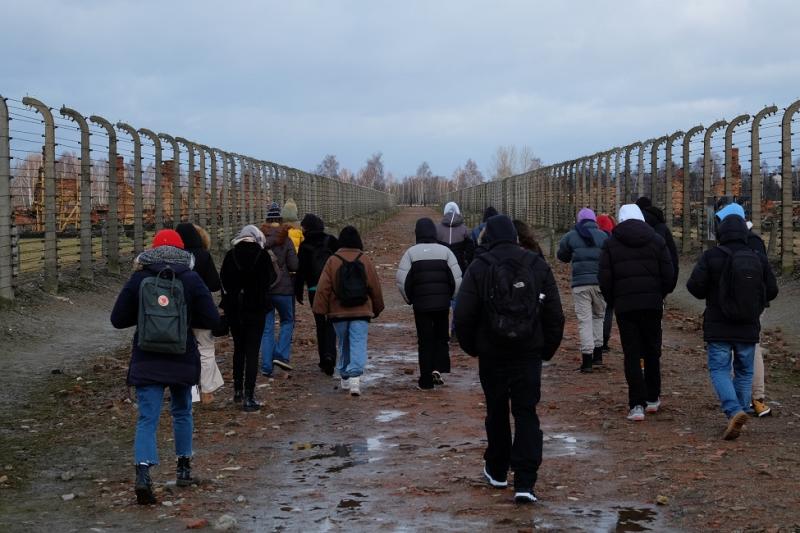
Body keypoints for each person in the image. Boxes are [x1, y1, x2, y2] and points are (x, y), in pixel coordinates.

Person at [454, 215, 564, 504]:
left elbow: (463, 314)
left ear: (487, 237)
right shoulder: (536, 264)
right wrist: (545, 350)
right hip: (528, 353)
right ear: (515, 236)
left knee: (497, 411)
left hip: (492, 353)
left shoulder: (479, 267)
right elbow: (554, 313)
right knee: (527, 413)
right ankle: (525, 482)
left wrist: (474, 347)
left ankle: (498, 470)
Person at [110, 229, 220, 505]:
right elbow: (211, 319)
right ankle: (183, 469)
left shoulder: (140, 278)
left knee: (147, 417)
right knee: (182, 411)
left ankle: (144, 474)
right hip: (181, 355)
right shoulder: (191, 278)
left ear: (152, 249)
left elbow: (118, 319)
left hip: (147, 357)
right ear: (183, 251)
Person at [686, 202, 778, 440]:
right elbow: (772, 290)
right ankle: (741, 411)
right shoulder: (756, 256)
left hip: (718, 323)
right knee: (745, 371)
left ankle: (734, 410)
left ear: (721, 232)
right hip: (748, 324)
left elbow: (694, 287)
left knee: (719, 369)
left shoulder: (711, 255)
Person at [599, 205, 674, 421]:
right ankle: (652, 398)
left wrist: (613, 300)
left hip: (625, 306)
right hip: (651, 304)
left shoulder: (611, 243)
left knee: (632, 354)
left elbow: (605, 278)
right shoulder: (657, 241)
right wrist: (660, 294)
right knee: (652, 351)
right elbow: (668, 275)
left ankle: (636, 405)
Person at [312, 226, 384, 397]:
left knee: (344, 343)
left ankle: (344, 374)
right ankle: (355, 379)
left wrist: (320, 310)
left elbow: (323, 288)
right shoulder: (364, 259)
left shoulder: (333, 260)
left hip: (338, 312)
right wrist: (377, 307)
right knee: (358, 342)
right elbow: (374, 286)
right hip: (361, 310)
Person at [396, 217, 462, 389]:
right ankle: (438, 368)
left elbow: (402, 280)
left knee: (425, 340)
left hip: (421, 306)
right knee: (441, 337)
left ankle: (425, 380)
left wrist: (410, 299)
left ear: (417, 233)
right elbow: (456, 278)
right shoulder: (445, 252)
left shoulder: (411, 253)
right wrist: (451, 297)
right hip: (442, 305)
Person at [219, 225, 276, 412]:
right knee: (253, 351)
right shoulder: (263, 255)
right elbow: (272, 278)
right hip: (256, 308)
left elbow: (224, 280)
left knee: (239, 349)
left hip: (235, 308)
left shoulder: (230, 255)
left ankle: (237, 391)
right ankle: (250, 396)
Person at [175, 223, 224, 404]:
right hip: (202, 311)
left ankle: (189, 390)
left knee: (183, 351)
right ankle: (207, 392)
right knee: (205, 349)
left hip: (178, 313)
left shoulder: (174, 257)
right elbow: (214, 284)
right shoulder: (203, 255)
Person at [557, 207, 608, 372]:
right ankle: (598, 355)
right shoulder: (604, 236)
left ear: (579, 220)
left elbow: (562, 255)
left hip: (580, 284)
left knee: (585, 320)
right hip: (600, 283)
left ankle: (587, 360)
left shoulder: (571, 236)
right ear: (593, 220)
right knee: (599, 317)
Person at [295, 213, 340, 376]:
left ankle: (324, 359)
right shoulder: (332, 241)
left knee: (320, 324)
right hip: (333, 289)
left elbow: (300, 272)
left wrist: (298, 292)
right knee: (332, 323)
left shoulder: (305, 245)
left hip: (314, 290)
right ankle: (331, 356)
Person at [260, 215, 299, 377]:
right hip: (284, 290)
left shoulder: (260, 241)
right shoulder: (286, 239)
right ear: (281, 221)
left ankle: (266, 366)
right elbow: (294, 265)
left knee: (267, 328)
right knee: (288, 321)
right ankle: (281, 355)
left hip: (265, 290)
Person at [436, 201, 474, 340]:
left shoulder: (437, 229)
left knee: (441, 299)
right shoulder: (465, 229)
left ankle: (441, 330)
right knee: (457, 300)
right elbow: (471, 250)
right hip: (459, 268)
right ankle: (455, 330)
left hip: (441, 268)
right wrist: (465, 261)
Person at [635, 197, 679, 292]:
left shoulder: (636, 227)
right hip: (659, 283)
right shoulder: (662, 227)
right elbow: (672, 257)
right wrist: (670, 285)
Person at [596, 214, 616, 352]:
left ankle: (594, 342)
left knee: (594, 313)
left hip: (593, 280)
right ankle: (604, 341)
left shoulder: (592, 238)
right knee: (608, 310)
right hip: (610, 281)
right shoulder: (614, 240)